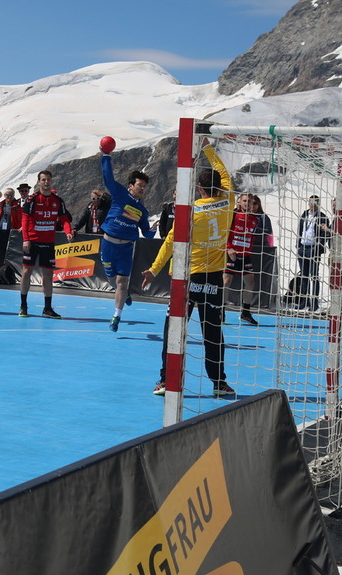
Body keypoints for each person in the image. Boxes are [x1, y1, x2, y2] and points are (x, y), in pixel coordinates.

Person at [142, 142, 234, 397]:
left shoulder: (192, 212)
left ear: (200, 189)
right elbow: (224, 173)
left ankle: (166, 380)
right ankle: (219, 383)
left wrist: (153, 269)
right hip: (214, 278)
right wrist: (208, 148)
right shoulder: (229, 200)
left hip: (188, 277)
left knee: (174, 328)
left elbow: (171, 240)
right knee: (213, 331)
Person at [98, 145, 154, 331]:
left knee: (122, 283)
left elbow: (146, 233)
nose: (143, 188)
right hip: (108, 244)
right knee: (112, 281)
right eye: (140, 185)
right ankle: (124, 294)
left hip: (126, 249)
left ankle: (116, 317)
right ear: (131, 186)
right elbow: (108, 179)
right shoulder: (121, 194)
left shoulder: (143, 211)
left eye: (145, 186)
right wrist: (106, 156)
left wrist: (154, 230)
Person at [18, 169, 74, 318]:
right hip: (32, 242)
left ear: (51, 181)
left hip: (48, 243)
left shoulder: (57, 201)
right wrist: (26, 239)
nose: (46, 182)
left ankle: (47, 308)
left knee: (48, 275)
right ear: (39, 182)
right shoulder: (32, 200)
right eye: (43, 180)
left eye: (48, 179)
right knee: (26, 272)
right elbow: (25, 219)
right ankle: (23, 306)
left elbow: (64, 219)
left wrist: (68, 231)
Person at [225, 193, 260, 326]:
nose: (247, 203)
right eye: (245, 201)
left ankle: (245, 312)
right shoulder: (232, 215)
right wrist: (229, 248)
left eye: (250, 201)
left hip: (245, 255)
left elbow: (251, 236)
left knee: (250, 282)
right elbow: (225, 233)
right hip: (232, 253)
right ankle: (221, 311)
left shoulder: (255, 219)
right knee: (226, 281)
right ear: (239, 202)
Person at [292, 195, 331, 311]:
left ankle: (314, 303)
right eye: (311, 202)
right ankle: (303, 301)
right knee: (303, 276)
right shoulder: (304, 214)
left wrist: (320, 246)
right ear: (308, 202)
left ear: (319, 204)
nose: (313, 204)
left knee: (314, 276)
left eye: (315, 202)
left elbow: (325, 234)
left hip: (314, 249)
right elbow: (300, 229)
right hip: (303, 247)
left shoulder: (322, 217)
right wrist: (298, 242)